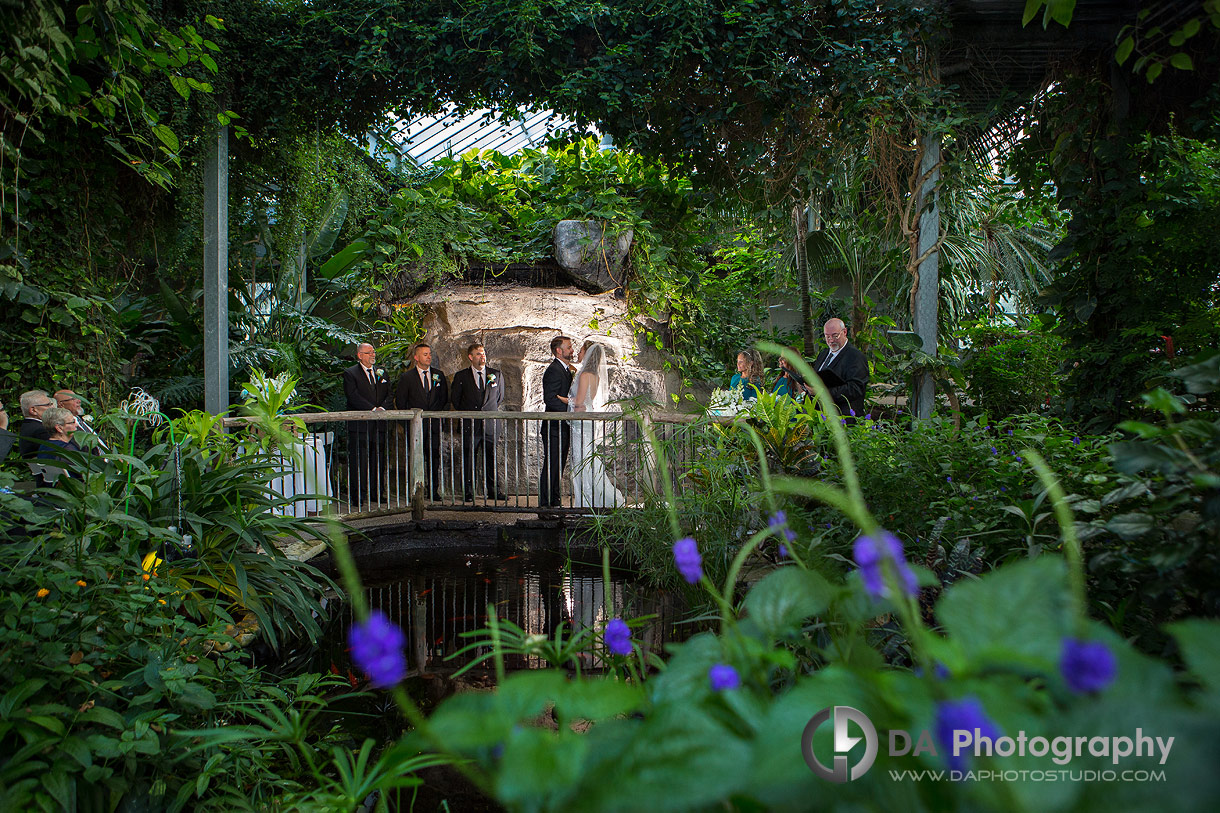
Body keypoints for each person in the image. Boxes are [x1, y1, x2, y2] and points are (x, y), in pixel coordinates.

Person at [568, 339, 625, 509]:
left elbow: (578, 402)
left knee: (581, 462)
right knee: (587, 460)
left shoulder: (585, 375)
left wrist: (561, 398)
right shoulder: (595, 376)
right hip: (587, 420)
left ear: (587, 354)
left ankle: (586, 504)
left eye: (580, 351)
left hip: (581, 422)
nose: (578, 354)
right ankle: (590, 502)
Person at [449, 342, 506, 501]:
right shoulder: (461, 376)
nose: (483, 356)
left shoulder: (496, 374)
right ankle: (467, 492)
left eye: (483, 353)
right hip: (470, 425)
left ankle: (494, 490)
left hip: (490, 424)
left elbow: (499, 397)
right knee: (468, 459)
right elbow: (456, 400)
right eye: (479, 353)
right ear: (470, 357)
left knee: (491, 458)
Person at [396, 343, 449, 501]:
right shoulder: (407, 377)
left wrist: (437, 415)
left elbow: (444, 398)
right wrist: (410, 421)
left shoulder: (438, 375)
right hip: (415, 427)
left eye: (429, 354)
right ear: (416, 357)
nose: (429, 357)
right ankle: (415, 490)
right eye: (425, 354)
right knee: (415, 457)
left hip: (433, 425)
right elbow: (401, 401)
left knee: (434, 457)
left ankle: (434, 490)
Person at [342, 343, 393, 507]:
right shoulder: (350, 373)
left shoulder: (382, 372)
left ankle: (376, 492)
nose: (372, 354)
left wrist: (382, 408)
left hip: (379, 425)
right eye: (368, 352)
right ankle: (358, 494)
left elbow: (389, 393)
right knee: (359, 460)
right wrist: (371, 409)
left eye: (373, 351)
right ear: (359, 355)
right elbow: (353, 396)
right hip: (360, 426)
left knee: (378, 459)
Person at [807, 318, 869, 419]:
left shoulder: (855, 356)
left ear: (844, 332)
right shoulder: (823, 354)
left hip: (842, 417)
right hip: (819, 415)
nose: (831, 340)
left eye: (835, 336)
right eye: (827, 336)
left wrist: (823, 393)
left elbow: (856, 388)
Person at [539, 335, 574, 508]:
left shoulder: (566, 370)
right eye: (569, 347)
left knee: (558, 467)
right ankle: (545, 504)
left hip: (562, 426)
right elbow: (550, 399)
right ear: (559, 351)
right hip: (554, 427)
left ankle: (554, 500)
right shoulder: (554, 370)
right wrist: (568, 411)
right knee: (552, 466)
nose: (572, 350)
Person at [37, 406, 83, 481]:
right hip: (74, 490)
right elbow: (86, 475)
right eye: (72, 422)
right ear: (59, 428)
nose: (77, 425)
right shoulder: (67, 450)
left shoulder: (44, 446)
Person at [17, 390, 55, 460]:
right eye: (47, 405)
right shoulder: (41, 430)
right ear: (33, 410)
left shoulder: (27, 426)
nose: (52, 407)